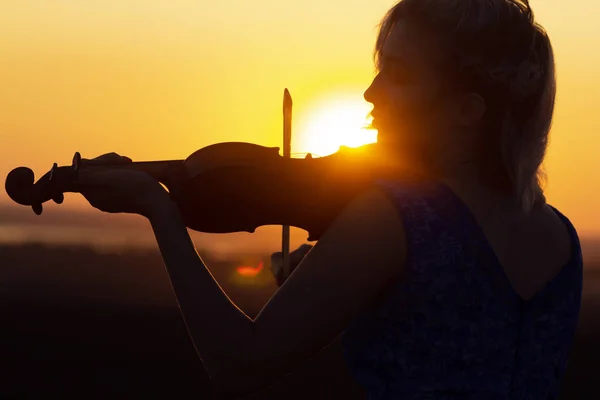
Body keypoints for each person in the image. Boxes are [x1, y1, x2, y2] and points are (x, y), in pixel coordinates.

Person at [71, 0, 583, 398]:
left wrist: (159, 210)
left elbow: (238, 364)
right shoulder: (561, 239)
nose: (371, 93)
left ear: (467, 110)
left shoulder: (393, 219)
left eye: (400, 75)